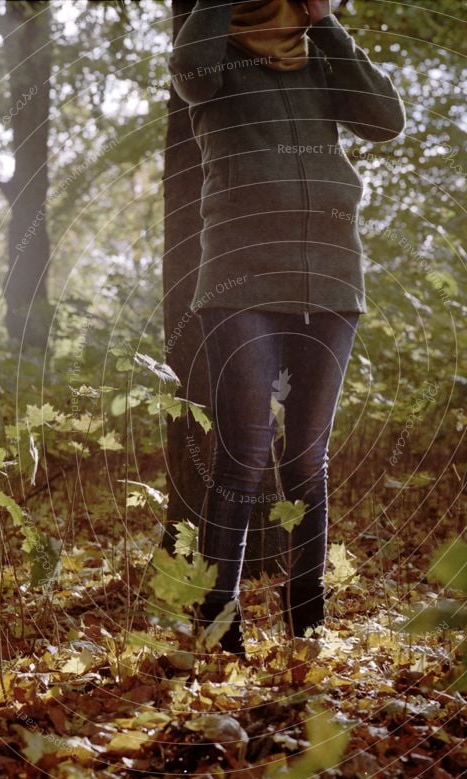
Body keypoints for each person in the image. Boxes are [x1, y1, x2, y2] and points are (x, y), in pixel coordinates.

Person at [168, 0, 405, 655]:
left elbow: (384, 119)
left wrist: (324, 21)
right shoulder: (213, 56)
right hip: (240, 278)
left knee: (305, 459)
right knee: (241, 456)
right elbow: (188, 74)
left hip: (330, 279)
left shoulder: (319, 53)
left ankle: (307, 620)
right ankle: (217, 624)